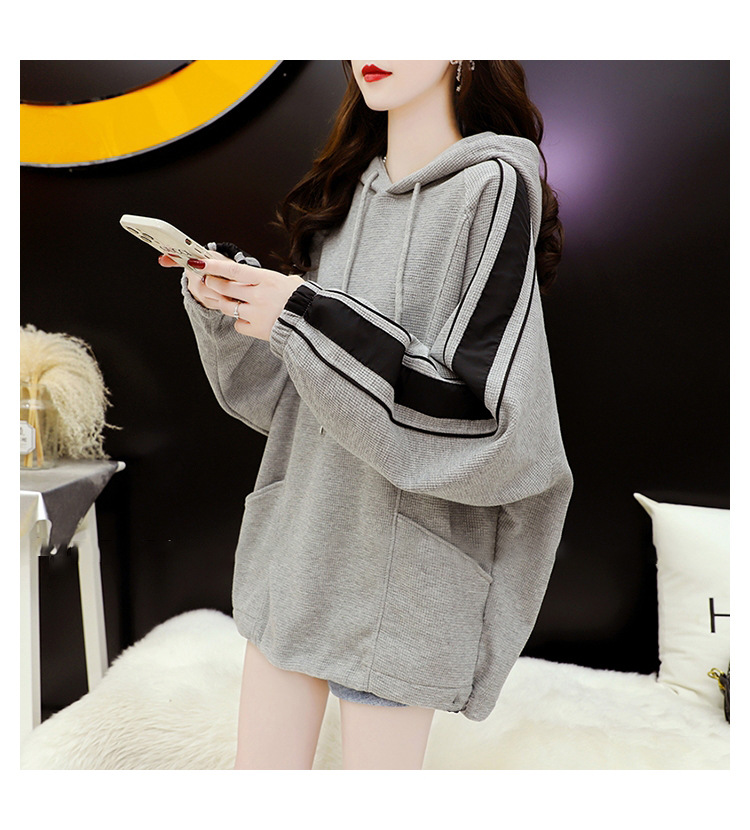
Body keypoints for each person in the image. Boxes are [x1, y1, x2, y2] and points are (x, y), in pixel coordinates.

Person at [159, 60, 574, 770]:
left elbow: (481, 409)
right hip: (299, 543)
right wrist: (235, 304)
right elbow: (295, 401)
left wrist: (304, 315)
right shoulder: (343, 192)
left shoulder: (493, 184)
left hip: (403, 572)